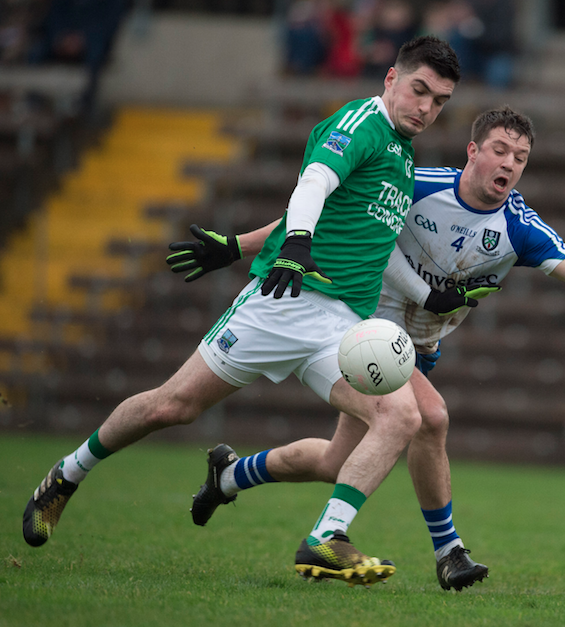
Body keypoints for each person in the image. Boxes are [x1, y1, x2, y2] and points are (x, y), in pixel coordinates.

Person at [165, 106, 565, 592]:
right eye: (499, 150)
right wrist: (239, 245)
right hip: (353, 324)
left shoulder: (519, 226)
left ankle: (230, 476)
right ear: (472, 151)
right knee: (430, 418)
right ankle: (447, 552)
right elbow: (322, 213)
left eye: (520, 157)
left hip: (405, 348)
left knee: (335, 463)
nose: (509, 163)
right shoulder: (416, 184)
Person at [21, 35, 461, 588]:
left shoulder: (401, 151)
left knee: (402, 416)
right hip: (282, 301)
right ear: (391, 79)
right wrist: (296, 242)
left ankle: (326, 538)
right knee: (172, 407)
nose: (426, 108)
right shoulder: (359, 125)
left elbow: (375, 243)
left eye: (439, 101)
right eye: (419, 90)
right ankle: (66, 475)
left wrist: (424, 295)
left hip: (344, 329)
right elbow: (312, 186)